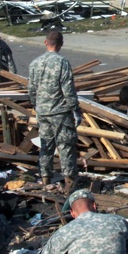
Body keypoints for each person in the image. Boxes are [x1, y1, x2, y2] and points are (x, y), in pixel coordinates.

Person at [28, 29, 79, 193]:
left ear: (45, 42)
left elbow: (31, 89)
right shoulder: (62, 62)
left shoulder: (35, 63)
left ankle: (45, 179)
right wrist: (76, 110)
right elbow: (68, 89)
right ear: (61, 44)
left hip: (43, 112)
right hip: (60, 112)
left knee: (46, 146)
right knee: (66, 146)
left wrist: (36, 105)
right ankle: (69, 182)